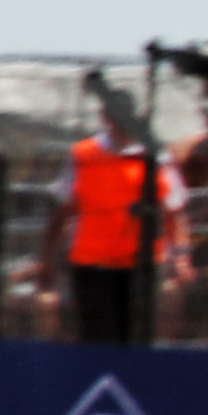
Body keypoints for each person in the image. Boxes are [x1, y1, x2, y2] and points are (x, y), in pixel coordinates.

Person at [63, 96, 162, 345]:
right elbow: (64, 208)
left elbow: (172, 209)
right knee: (97, 336)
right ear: (105, 117)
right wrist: (47, 257)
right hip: (92, 263)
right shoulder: (82, 154)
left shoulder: (154, 155)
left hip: (140, 264)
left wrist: (181, 255)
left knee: (137, 337)